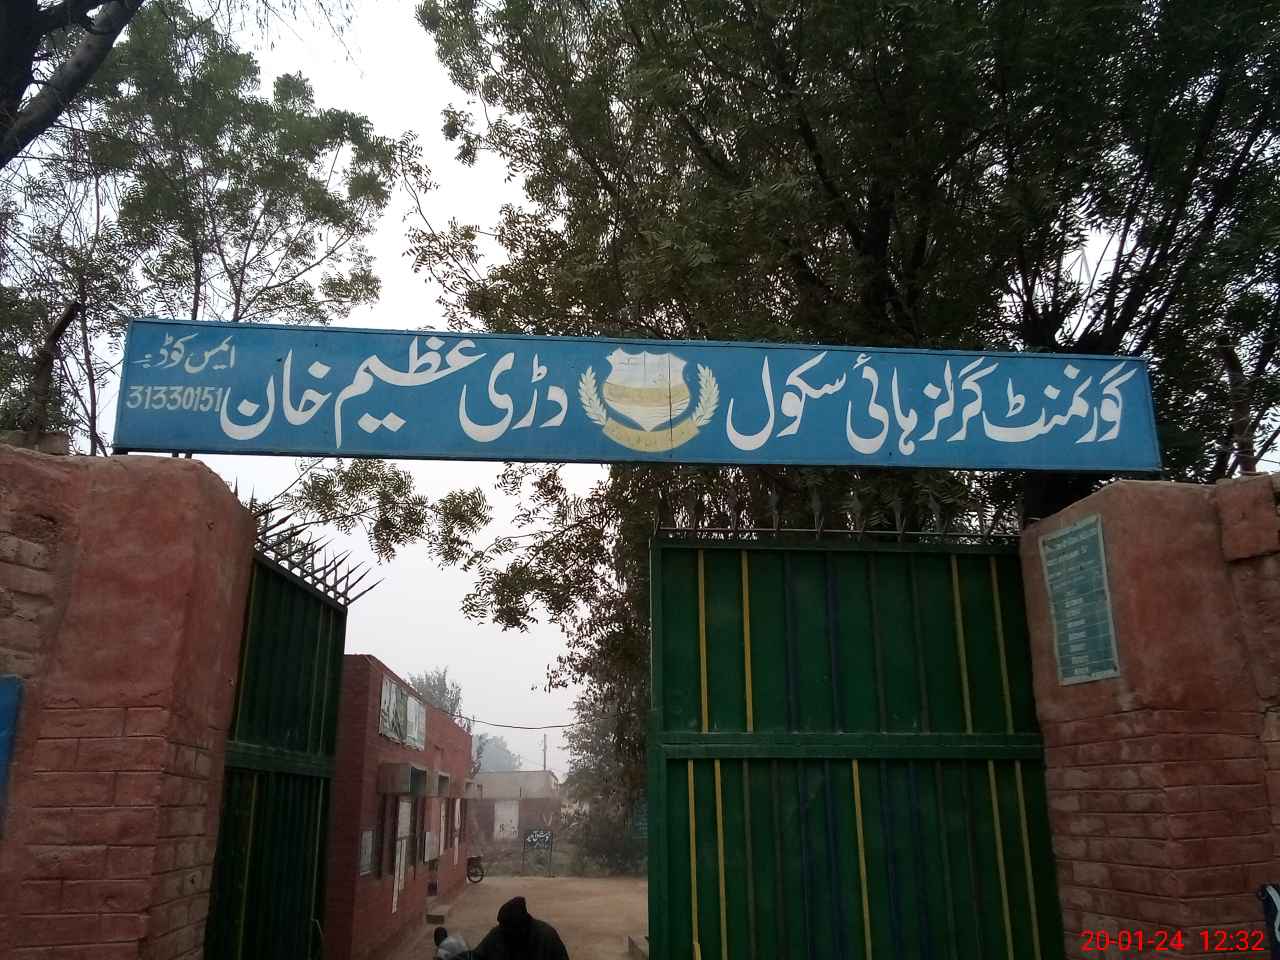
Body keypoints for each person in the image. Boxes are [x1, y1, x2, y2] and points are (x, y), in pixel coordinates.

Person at [472, 896, 569, 959]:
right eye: (502, 926)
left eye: (508, 928)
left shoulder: (546, 937)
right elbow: (476, 956)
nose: (503, 931)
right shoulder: (498, 934)